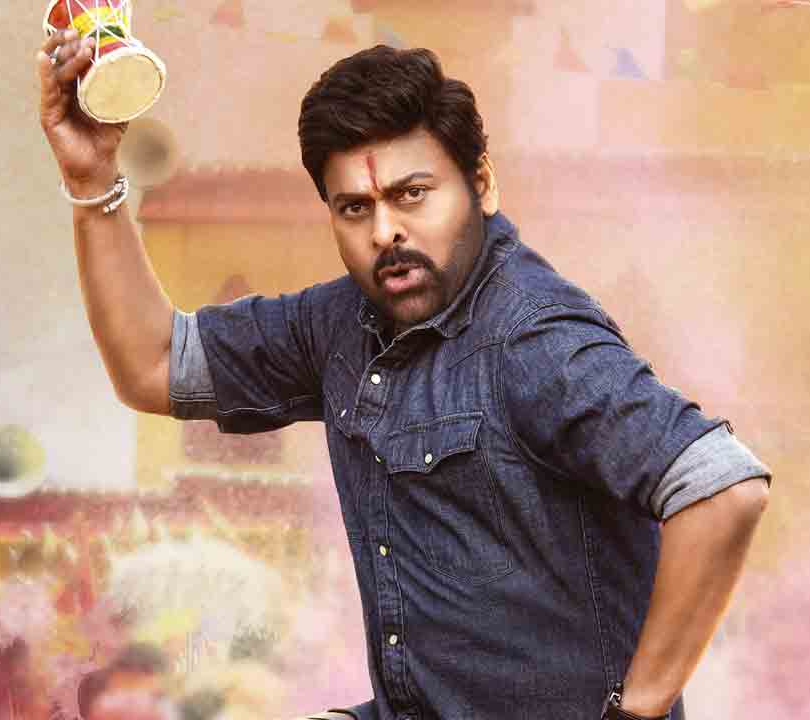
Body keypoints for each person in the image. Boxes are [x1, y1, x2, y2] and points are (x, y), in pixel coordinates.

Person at [38, 34, 771, 719]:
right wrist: (91, 177)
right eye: (356, 208)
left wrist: (637, 711)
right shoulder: (336, 325)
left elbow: (721, 484)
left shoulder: (533, 337)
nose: (385, 231)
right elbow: (154, 365)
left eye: (412, 194)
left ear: (481, 185)